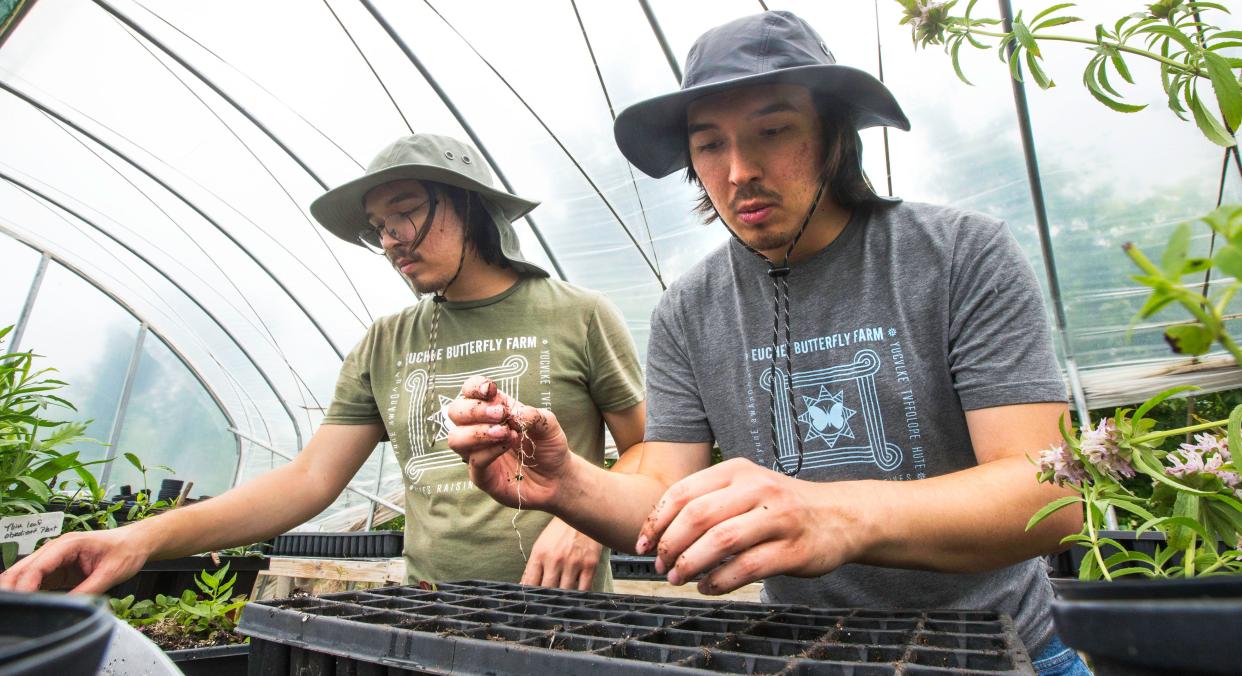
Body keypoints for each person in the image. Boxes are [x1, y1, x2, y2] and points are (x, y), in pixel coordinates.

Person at [445, 11, 1089, 675]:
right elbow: (664, 489)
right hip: (807, 657)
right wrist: (566, 485)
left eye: (773, 131)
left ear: (834, 134)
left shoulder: (957, 256)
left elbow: (1047, 494)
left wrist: (838, 515)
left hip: (1008, 652)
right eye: (710, 145)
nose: (739, 170)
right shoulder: (690, 311)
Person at [0, 133, 645, 594]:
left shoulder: (576, 314)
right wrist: (137, 540)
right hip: (432, 611)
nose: (391, 241)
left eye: (406, 213)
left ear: (469, 205)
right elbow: (308, 481)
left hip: (565, 615)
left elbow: (650, 451)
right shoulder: (386, 342)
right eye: (378, 226)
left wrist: (582, 517)